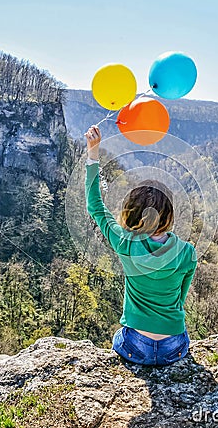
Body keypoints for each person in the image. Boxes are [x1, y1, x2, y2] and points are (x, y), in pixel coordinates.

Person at [84, 125, 197, 366]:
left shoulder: (125, 243)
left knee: (119, 335)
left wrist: (93, 154)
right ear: (168, 215)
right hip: (173, 347)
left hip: (135, 345)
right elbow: (179, 300)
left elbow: (95, 205)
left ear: (131, 213)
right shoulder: (187, 253)